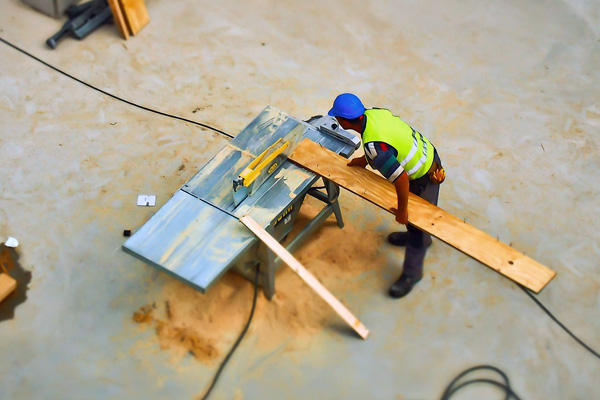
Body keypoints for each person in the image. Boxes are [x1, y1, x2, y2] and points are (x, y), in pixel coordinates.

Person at [328, 93, 445, 298]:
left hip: (423, 175)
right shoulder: (374, 114)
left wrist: (402, 211)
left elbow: (401, 180)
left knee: (417, 224)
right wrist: (364, 161)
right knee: (416, 224)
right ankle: (418, 236)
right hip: (428, 154)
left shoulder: (375, 149)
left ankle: (412, 272)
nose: (335, 120)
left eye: (336, 117)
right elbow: (385, 141)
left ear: (345, 121)